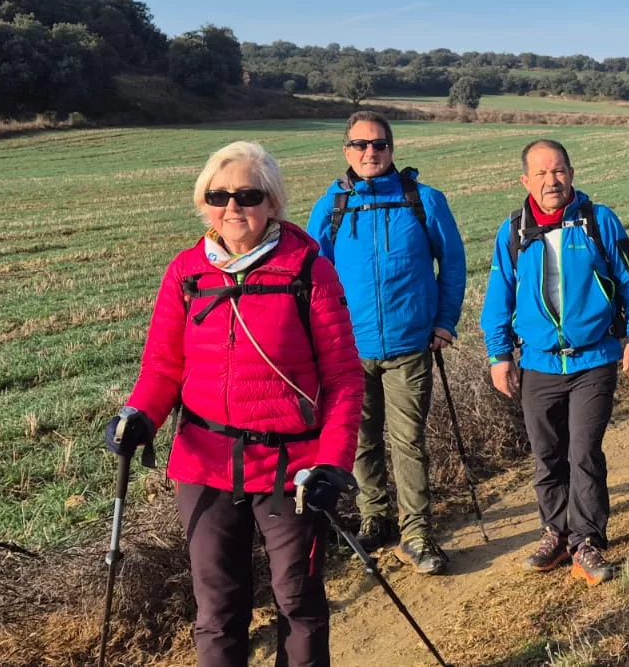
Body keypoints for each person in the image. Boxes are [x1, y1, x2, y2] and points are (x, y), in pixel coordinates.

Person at [104, 141, 363, 667]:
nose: (232, 207)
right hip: (205, 463)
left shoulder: (308, 269)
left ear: (272, 202)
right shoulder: (186, 272)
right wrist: (140, 417)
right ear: (204, 203)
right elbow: (162, 367)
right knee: (217, 609)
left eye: (247, 194)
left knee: (297, 602)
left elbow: (342, 378)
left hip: (291, 468)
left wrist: (332, 462)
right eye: (219, 195)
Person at [480, 139, 629, 586]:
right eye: (540, 174)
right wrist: (500, 355)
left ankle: (588, 539)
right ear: (525, 181)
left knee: (583, 451)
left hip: (594, 357)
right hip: (538, 362)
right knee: (546, 455)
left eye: (557, 171)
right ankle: (556, 532)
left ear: (572, 174)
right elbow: (498, 296)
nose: (550, 181)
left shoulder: (600, 221)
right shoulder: (513, 232)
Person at [307, 111, 467, 574]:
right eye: (359, 145)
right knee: (360, 440)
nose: (369, 153)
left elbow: (452, 264)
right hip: (348, 350)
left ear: (392, 149)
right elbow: (313, 279)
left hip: (410, 344)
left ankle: (417, 533)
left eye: (378, 145)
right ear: (346, 151)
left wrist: (444, 322)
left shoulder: (424, 200)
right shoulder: (331, 207)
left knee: (408, 441)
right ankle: (376, 518)